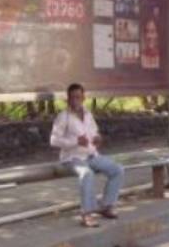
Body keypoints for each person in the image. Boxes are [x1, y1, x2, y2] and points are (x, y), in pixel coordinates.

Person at [51, 83, 124, 227]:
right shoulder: (63, 117)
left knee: (117, 169)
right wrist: (75, 141)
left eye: (78, 97)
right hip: (72, 158)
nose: (75, 100)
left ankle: (106, 206)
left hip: (91, 155)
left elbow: (94, 132)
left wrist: (97, 138)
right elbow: (53, 140)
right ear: (68, 99)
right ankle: (87, 214)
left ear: (83, 97)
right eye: (72, 97)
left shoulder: (88, 114)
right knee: (87, 173)